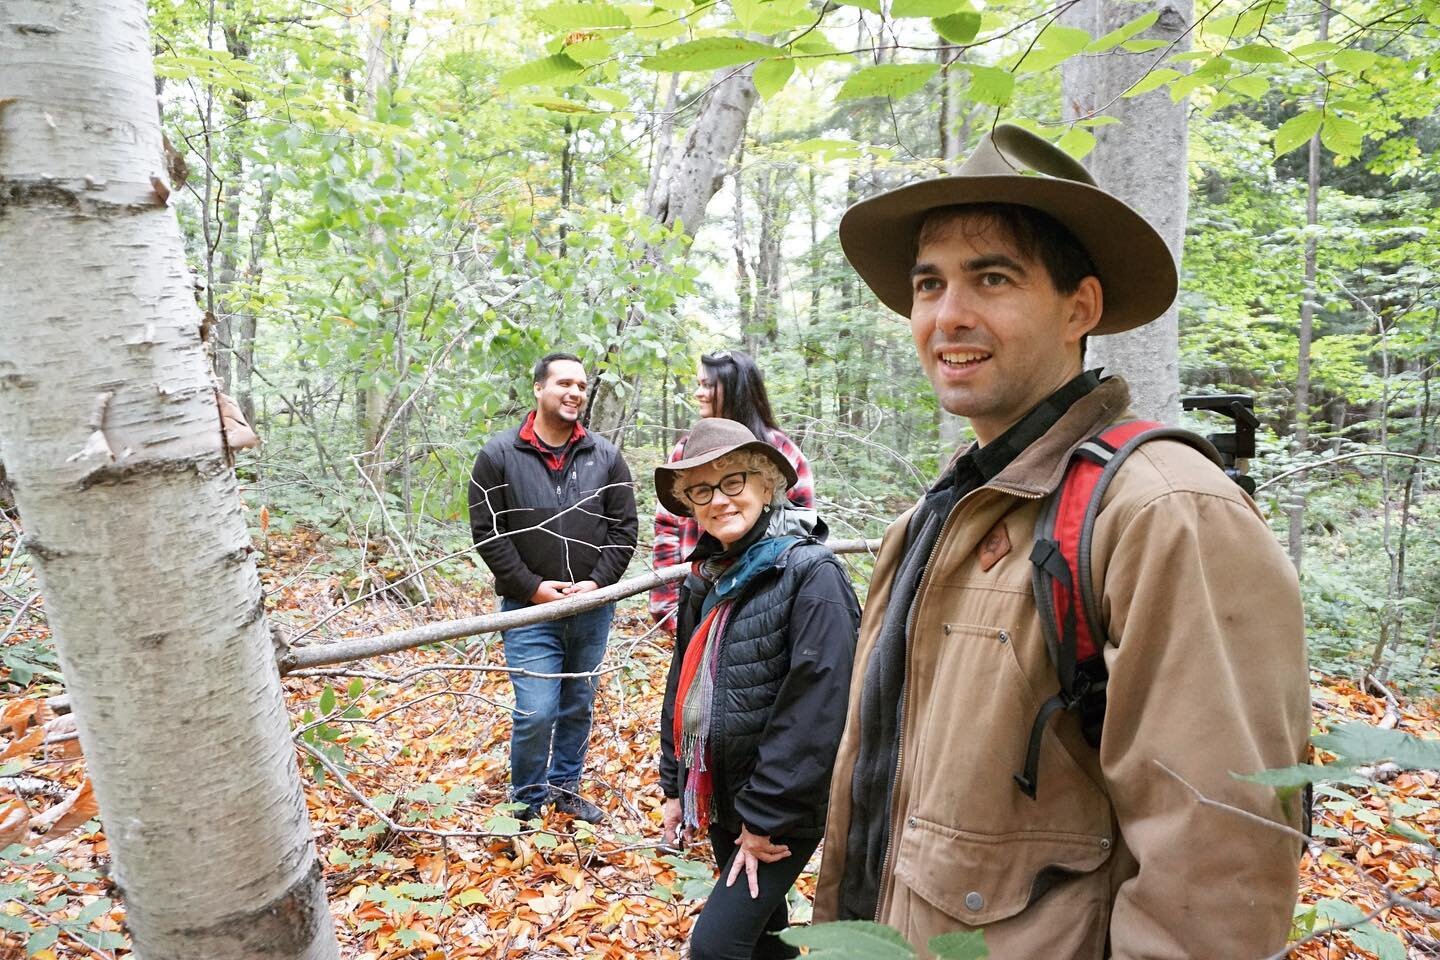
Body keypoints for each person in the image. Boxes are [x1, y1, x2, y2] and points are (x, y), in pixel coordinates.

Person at [812, 125, 1310, 958]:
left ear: (1080, 306)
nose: (947, 315)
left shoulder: (1163, 514)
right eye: (928, 284)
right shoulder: (935, 520)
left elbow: (1217, 871)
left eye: (992, 278)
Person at [655, 418, 859, 960]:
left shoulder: (812, 575)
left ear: (768, 485)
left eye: (733, 482)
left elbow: (819, 707)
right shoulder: (708, 578)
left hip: (779, 808)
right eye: (701, 490)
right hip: (724, 794)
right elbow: (684, 684)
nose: (719, 500)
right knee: (767, 941)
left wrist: (765, 817)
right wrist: (675, 783)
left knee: (715, 948)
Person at [468, 352, 638, 822]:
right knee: (536, 711)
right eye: (564, 383)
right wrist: (532, 588)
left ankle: (565, 788)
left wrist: (597, 584)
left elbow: (624, 531)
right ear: (539, 388)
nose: (575, 393)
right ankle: (525, 801)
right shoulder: (499, 455)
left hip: (592, 606)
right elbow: (488, 533)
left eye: (581, 386)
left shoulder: (605, 456)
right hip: (528, 610)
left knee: (578, 703)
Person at [650, 351, 815, 634]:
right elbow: (667, 529)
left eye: (707, 385)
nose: (698, 393)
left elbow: (805, 528)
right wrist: (668, 608)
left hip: (768, 610)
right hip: (701, 600)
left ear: (735, 388)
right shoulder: (686, 452)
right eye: (698, 384)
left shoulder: (780, 450)